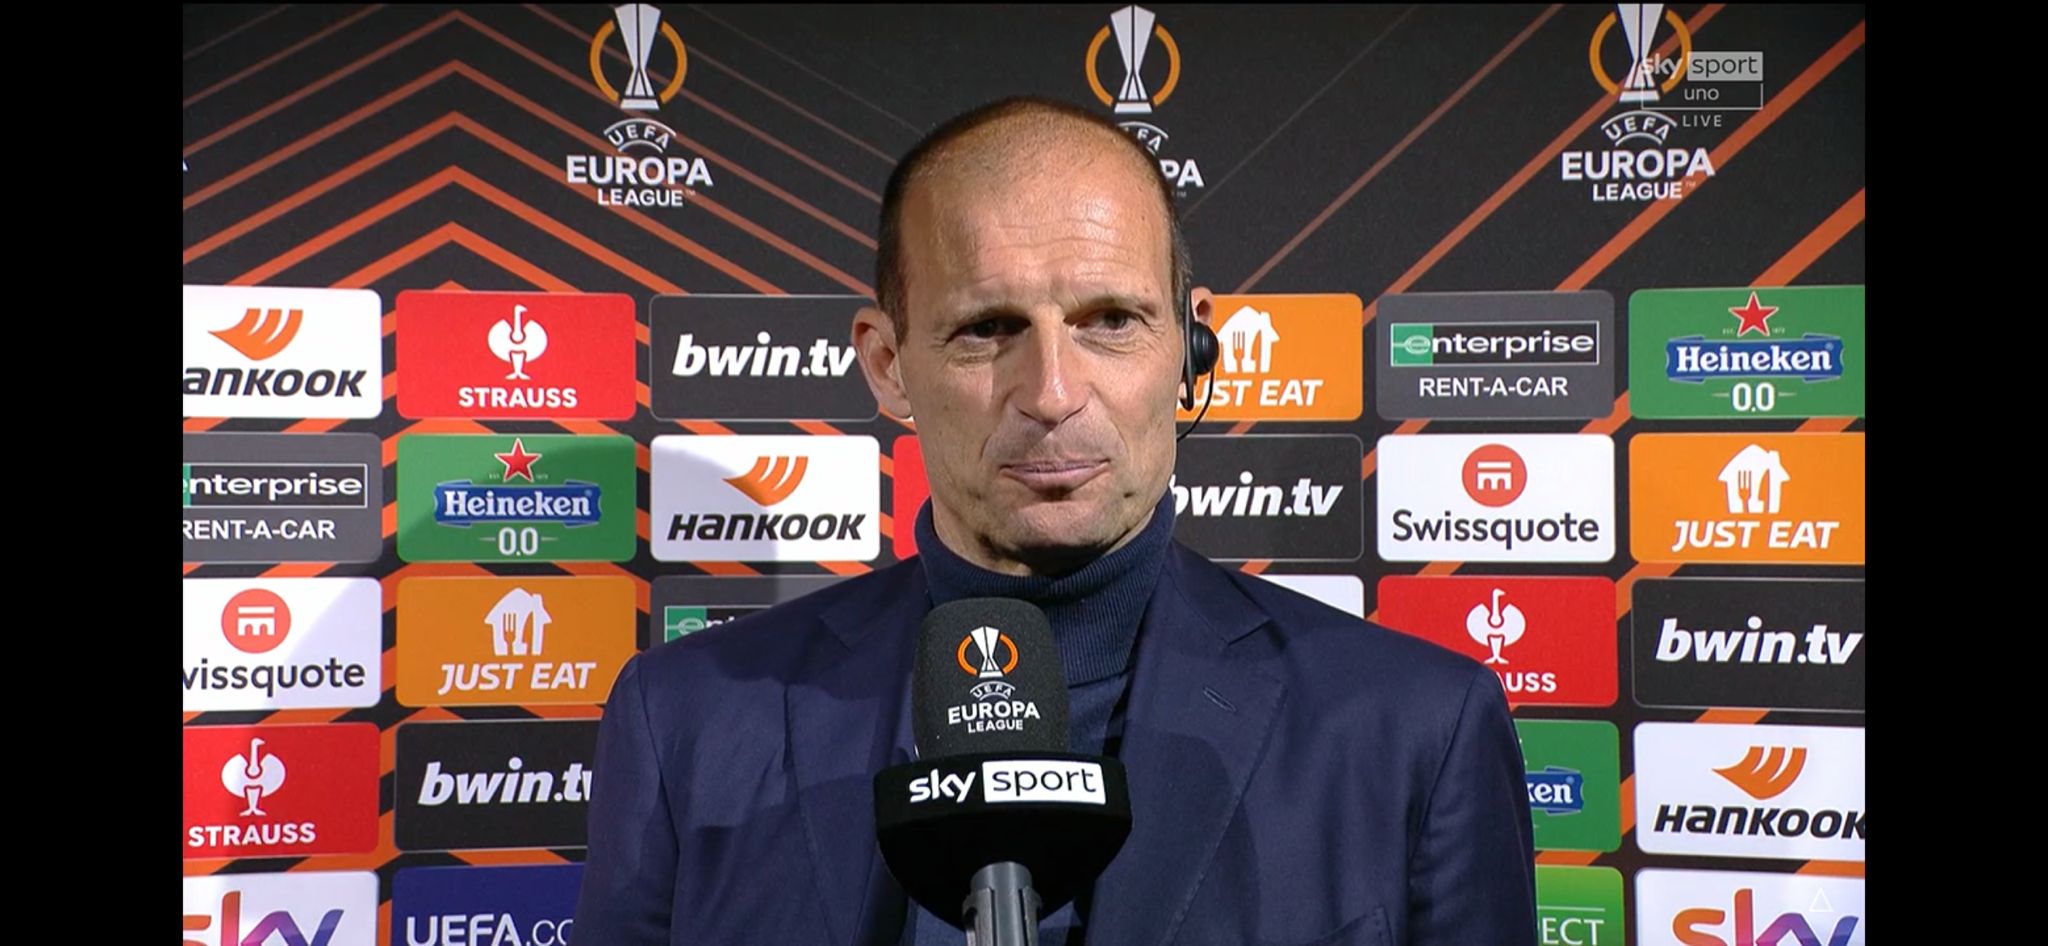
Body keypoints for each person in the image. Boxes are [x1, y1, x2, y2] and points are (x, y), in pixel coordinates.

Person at [575, 96, 1537, 946]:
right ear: (888, 365)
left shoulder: (1416, 727)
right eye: (988, 329)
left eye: (1110, 320)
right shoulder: (684, 721)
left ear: (1192, 347)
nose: (1051, 392)